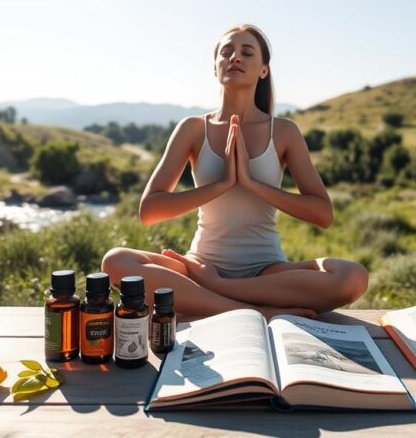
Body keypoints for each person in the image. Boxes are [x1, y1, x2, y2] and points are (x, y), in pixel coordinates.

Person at [101, 24, 368, 319]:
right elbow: (149, 211)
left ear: (263, 70)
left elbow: (323, 213)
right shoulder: (192, 129)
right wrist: (222, 184)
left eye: (246, 52)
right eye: (226, 52)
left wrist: (252, 183)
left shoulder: (283, 132)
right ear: (215, 68)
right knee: (116, 262)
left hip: (266, 272)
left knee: (351, 277)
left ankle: (215, 293)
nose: (235, 57)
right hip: (201, 262)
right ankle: (255, 311)